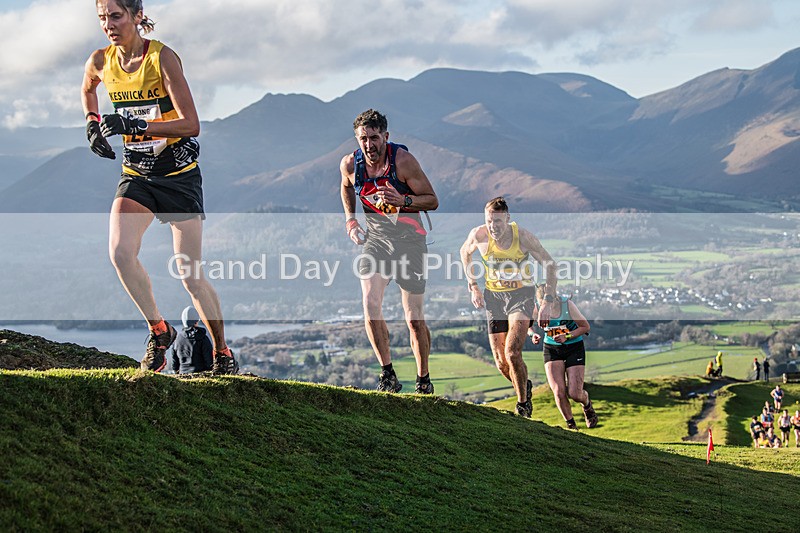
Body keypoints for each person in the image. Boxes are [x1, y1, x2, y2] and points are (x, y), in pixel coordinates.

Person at [82, 0, 237, 374]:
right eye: (102, 18)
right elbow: (88, 89)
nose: (108, 25)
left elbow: (191, 123)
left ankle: (222, 352)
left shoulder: (163, 58)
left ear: (137, 17)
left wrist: (134, 127)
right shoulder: (101, 61)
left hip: (178, 175)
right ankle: (158, 330)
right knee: (120, 254)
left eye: (116, 16)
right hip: (137, 174)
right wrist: (92, 121)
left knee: (190, 276)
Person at [340, 109, 438, 393]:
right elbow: (346, 187)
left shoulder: (404, 162)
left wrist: (403, 199)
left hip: (410, 241)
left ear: (386, 136)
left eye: (374, 138)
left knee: (413, 318)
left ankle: (423, 380)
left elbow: (432, 200)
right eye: (363, 139)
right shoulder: (350, 164)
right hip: (377, 240)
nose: (369, 145)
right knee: (370, 304)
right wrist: (350, 220)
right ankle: (388, 375)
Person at [459, 197, 558, 418]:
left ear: (508, 219)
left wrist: (547, 302)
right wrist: (473, 286)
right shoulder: (479, 235)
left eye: (498, 222)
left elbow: (551, 265)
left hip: (521, 296)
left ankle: (523, 405)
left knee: (512, 352)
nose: (493, 227)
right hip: (494, 298)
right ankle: (525, 386)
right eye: (489, 221)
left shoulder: (523, 237)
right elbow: (464, 253)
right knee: (501, 362)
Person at [529, 286, 596, 429]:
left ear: (554, 299)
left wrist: (567, 336)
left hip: (573, 346)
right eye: (542, 305)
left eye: (548, 304)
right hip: (552, 349)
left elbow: (585, 327)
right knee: (558, 391)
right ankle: (571, 426)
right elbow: (528, 325)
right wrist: (532, 334)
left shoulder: (567, 305)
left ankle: (587, 405)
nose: (545, 308)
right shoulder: (536, 308)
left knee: (575, 393)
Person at [170, 306, 214, 374]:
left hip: (182, 378)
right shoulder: (203, 338)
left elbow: (174, 366)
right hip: (201, 378)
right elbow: (210, 363)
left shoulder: (177, 340)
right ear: (196, 321)